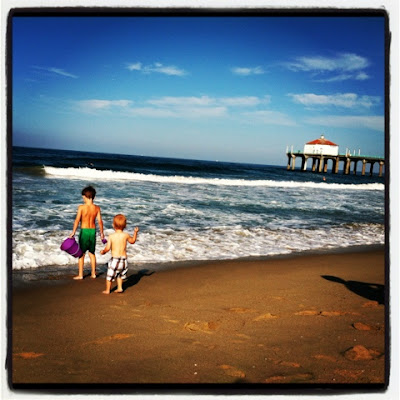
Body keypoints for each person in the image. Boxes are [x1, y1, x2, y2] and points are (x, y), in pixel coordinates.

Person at [69, 186, 104, 280]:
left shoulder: (81, 207)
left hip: (84, 231)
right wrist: (102, 233)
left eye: (83, 197)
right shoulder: (97, 208)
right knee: (92, 253)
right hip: (92, 231)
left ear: (85, 196)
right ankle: (93, 273)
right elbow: (100, 222)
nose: (83, 199)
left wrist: (73, 232)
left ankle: (80, 275)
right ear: (94, 197)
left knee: (81, 254)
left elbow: (77, 220)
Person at [100, 214, 139, 294]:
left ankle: (108, 290)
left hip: (115, 260)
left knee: (109, 276)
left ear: (113, 225)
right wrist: (135, 232)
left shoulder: (111, 236)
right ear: (125, 226)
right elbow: (132, 241)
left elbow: (107, 248)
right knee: (120, 274)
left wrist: (103, 251)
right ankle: (120, 288)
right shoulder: (126, 235)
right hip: (124, 260)